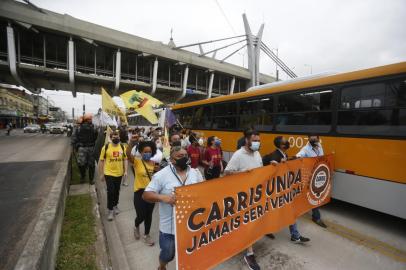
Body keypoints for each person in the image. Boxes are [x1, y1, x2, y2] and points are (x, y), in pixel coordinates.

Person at [143, 146, 203, 270]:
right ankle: (162, 266)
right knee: (168, 254)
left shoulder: (195, 173)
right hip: (169, 228)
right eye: (180, 156)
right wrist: (163, 198)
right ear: (172, 159)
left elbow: (203, 190)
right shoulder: (161, 175)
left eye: (185, 155)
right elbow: (146, 195)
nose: (184, 158)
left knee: (189, 254)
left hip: (190, 225)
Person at [224, 130, 262, 270]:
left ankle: (240, 242)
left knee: (250, 223)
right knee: (247, 223)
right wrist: (242, 173)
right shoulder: (238, 155)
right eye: (254, 140)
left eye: (258, 140)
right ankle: (249, 253)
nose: (257, 143)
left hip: (256, 195)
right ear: (246, 140)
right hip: (242, 197)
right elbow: (226, 174)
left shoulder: (257, 153)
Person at [262, 136, 311, 243]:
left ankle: (295, 235)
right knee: (273, 211)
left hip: (284, 189)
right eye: (285, 142)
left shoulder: (284, 155)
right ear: (281, 145)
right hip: (276, 190)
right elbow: (267, 166)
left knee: (289, 211)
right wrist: (278, 164)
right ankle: (266, 229)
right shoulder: (275, 156)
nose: (288, 143)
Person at [296, 134, 327, 228]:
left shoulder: (319, 146)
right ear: (308, 139)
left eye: (315, 138)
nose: (313, 139)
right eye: (311, 138)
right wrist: (298, 158)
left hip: (317, 174)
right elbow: (298, 155)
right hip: (308, 175)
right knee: (311, 194)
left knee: (310, 194)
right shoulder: (305, 149)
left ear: (318, 139)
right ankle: (316, 217)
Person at [132, 141, 158, 246]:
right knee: (141, 215)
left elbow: (157, 179)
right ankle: (136, 225)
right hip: (139, 192)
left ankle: (146, 235)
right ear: (141, 152)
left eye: (149, 151)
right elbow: (128, 154)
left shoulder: (154, 163)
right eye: (145, 151)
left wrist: (157, 171)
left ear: (152, 152)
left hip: (151, 192)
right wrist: (131, 142)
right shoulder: (137, 162)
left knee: (149, 215)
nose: (147, 153)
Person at [99, 130, 128, 221]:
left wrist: (125, 171)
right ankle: (110, 210)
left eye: (117, 137)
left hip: (119, 173)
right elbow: (101, 161)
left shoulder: (123, 147)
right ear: (111, 138)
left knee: (117, 191)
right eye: (114, 137)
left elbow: (125, 159)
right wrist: (101, 174)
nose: (116, 138)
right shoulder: (106, 147)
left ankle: (115, 205)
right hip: (109, 173)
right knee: (110, 191)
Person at [71, 113, 98, 184]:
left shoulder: (93, 127)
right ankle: (85, 178)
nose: (91, 120)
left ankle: (88, 178)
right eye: (90, 119)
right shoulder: (79, 127)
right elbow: (74, 137)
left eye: (91, 119)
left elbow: (73, 137)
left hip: (87, 148)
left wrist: (74, 145)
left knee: (87, 164)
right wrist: (75, 145)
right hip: (84, 148)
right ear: (86, 119)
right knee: (85, 164)